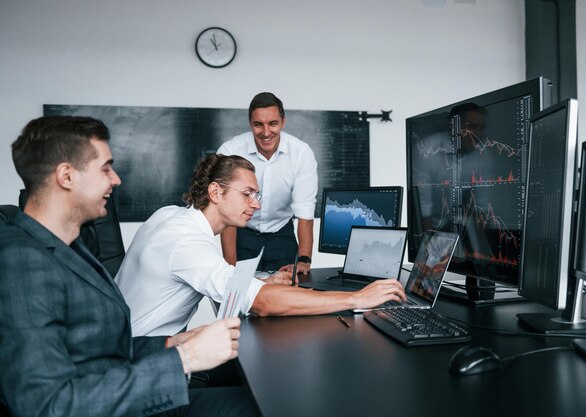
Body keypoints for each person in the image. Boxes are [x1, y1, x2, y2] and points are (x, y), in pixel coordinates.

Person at [0, 116, 257, 417]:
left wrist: (171, 342)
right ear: (66, 176)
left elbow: (99, 348)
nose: (116, 179)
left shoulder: (73, 244)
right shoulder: (22, 260)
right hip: (122, 404)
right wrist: (185, 358)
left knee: (259, 396)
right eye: (106, 168)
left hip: (129, 385)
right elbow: (49, 406)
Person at [115, 153, 406, 337]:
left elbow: (218, 283)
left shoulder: (170, 215)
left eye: (257, 195)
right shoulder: (187, 243)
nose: (255, 204)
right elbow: (261, 304)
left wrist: (262, 280)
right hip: (146, 365)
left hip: (136, 347)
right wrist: (357, 299)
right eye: (247, 194)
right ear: (215, 192)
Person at [216, 92, 317, 273]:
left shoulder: (301, 153)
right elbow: (226, 212)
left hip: (282, 235)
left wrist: (304, 260)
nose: (266, 132)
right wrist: (230, 267)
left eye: (273, 123)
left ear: (283, 122)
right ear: (250, 124)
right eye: (258, 125)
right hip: (242, 234)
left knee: (288, 296)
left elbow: (305, 211)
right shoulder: (230, 150)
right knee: (239, 295)